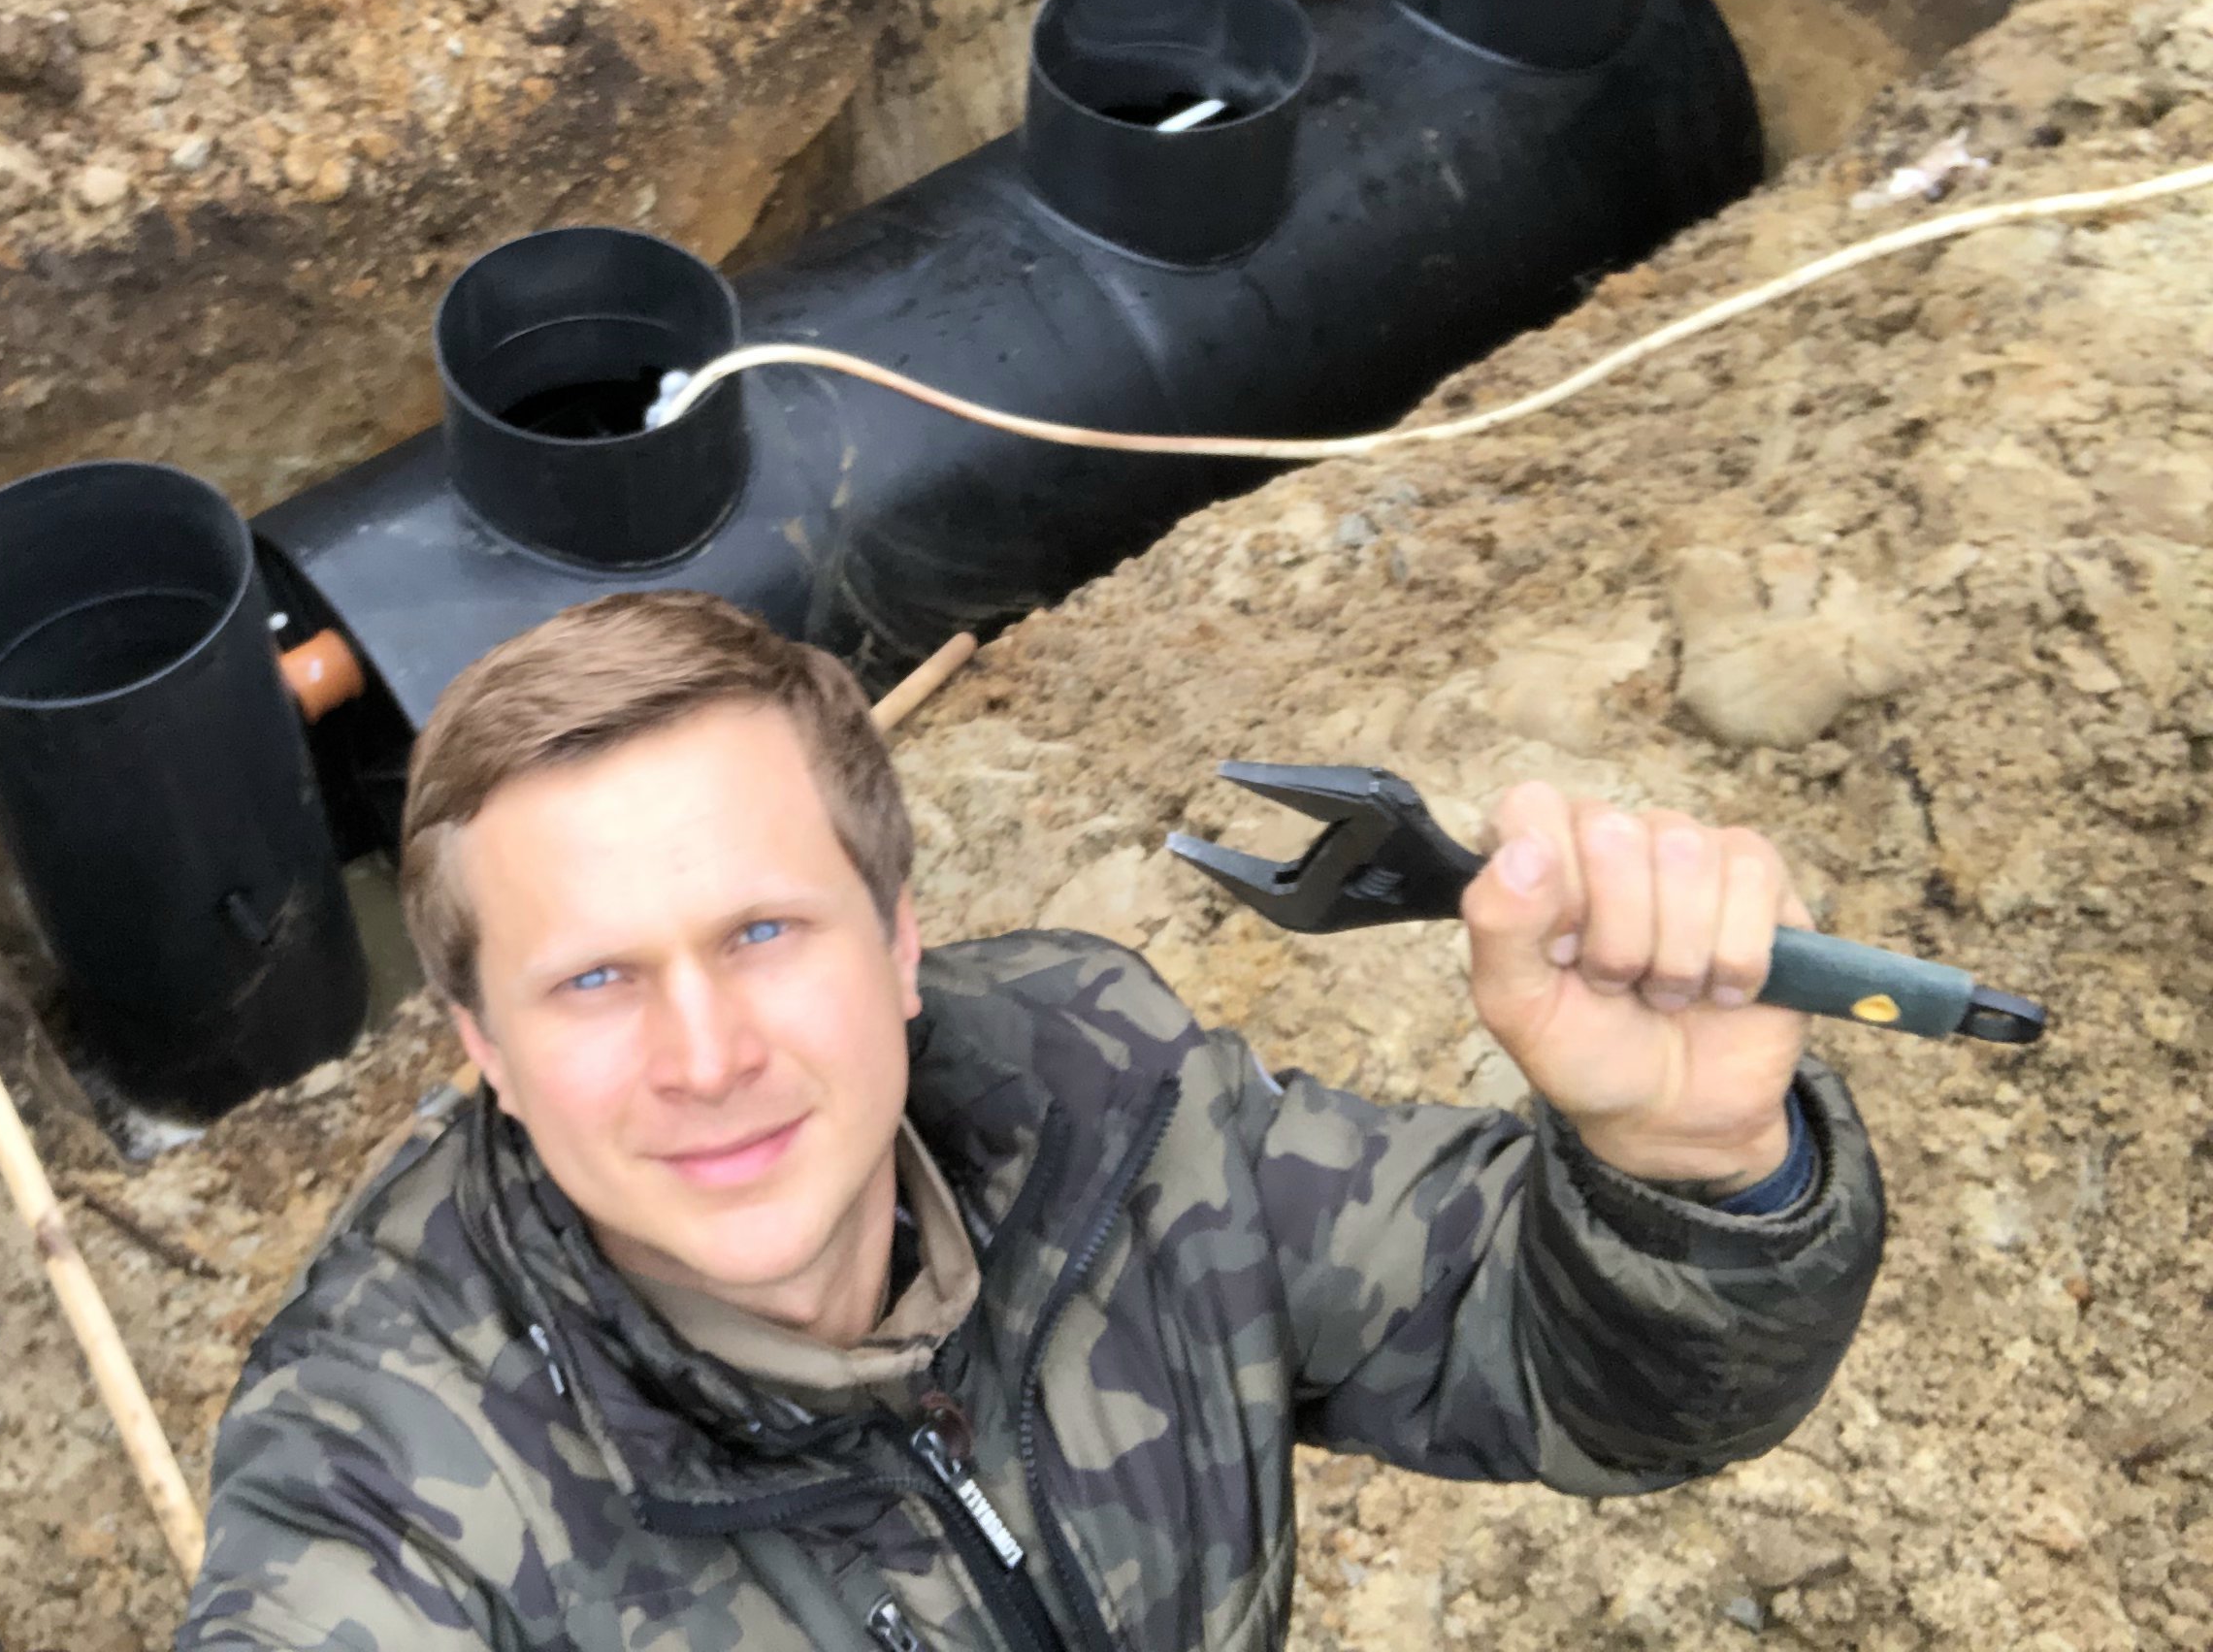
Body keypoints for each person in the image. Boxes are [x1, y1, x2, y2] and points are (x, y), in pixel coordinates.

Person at [178, 593, 1883, 1652]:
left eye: (761, 933)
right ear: (483, 1046)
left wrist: (1692, 1166)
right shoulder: (392, 1472)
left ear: (899, 942)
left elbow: (1586, 1387)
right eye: (595, 981)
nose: (704, 1056)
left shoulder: (1101, 1104)